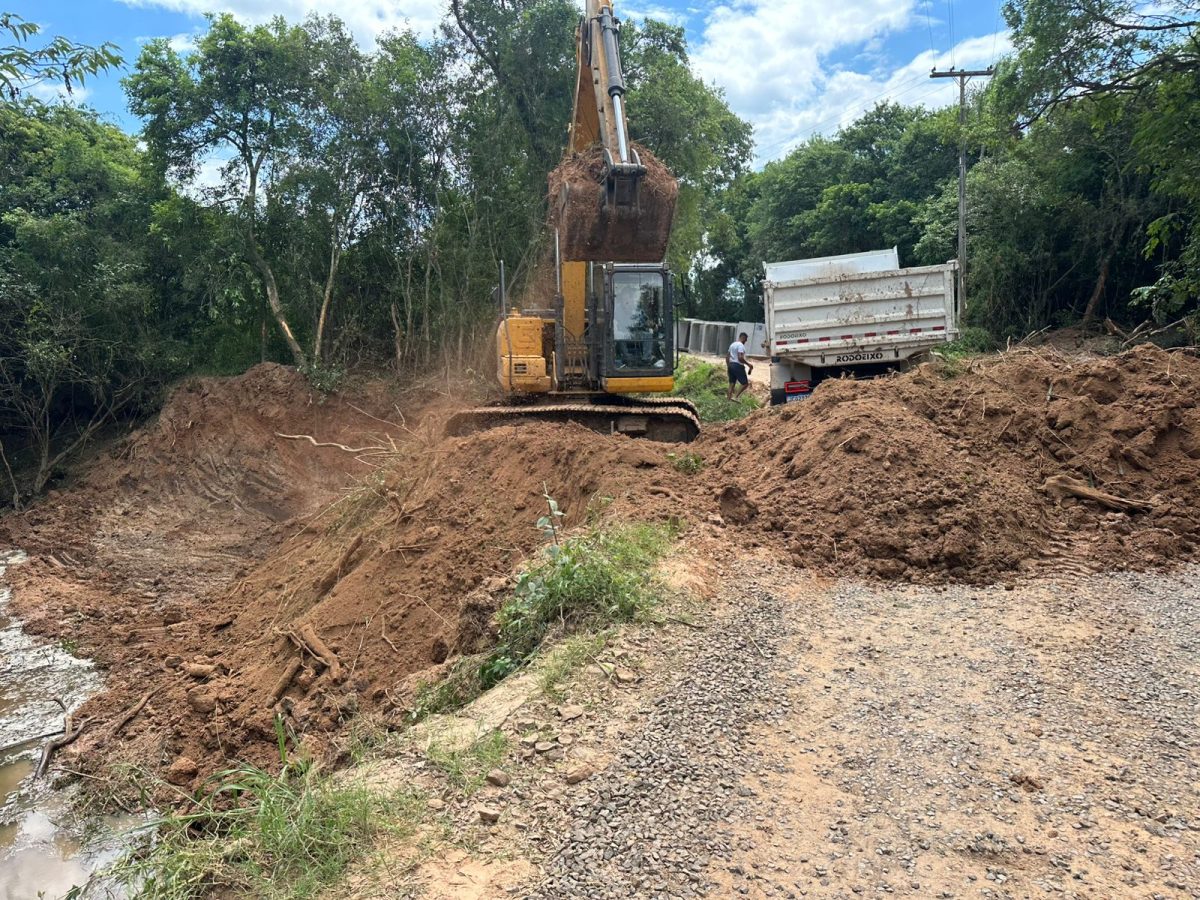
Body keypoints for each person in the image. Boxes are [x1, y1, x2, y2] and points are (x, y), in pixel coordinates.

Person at [726, 331, 753, 400]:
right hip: (737, 366)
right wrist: (748, 364)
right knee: (745, 384)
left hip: (731, 365)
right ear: (743, 338)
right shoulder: (741, 345)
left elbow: (727, 357)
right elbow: (740, 358)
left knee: (731, 384)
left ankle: (728, 400)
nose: (746, 341)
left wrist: (729, 366)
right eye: (746, 339)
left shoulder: (732, 345)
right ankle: (735, 397)